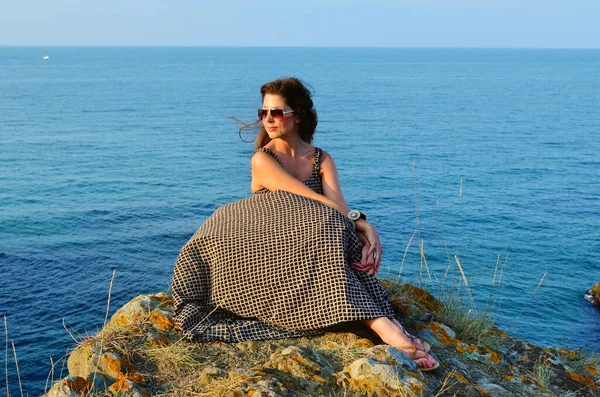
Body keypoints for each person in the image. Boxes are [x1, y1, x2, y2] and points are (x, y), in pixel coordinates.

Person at [171, 77, 438, 371]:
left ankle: (379, 321)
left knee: (334, 227)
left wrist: (363, 225)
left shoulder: (321, 159)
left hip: (307, 243)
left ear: (297, 115)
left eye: (277, 112)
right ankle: (382, 324)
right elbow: (313, 201)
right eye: (264, 113)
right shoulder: (263, 159)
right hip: (265, 246)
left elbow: (341, 208)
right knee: (325, 222)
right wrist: (362, 223)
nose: (268, 119)